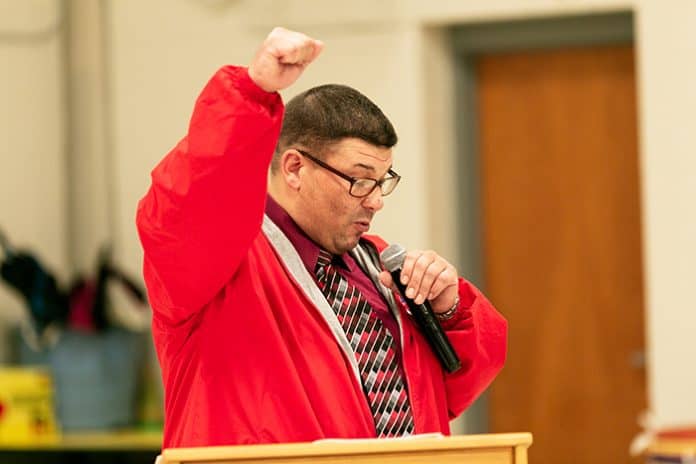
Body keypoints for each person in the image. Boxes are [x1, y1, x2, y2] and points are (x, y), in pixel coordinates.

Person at [136, 27, 507, 448]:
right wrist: (252, 94)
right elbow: (187, 203)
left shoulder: (382, 267)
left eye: (382, 181)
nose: (375, 202)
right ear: (294, 168)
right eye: (360, 180)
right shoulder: (223, 269)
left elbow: (447, 393)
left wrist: (449, 310)